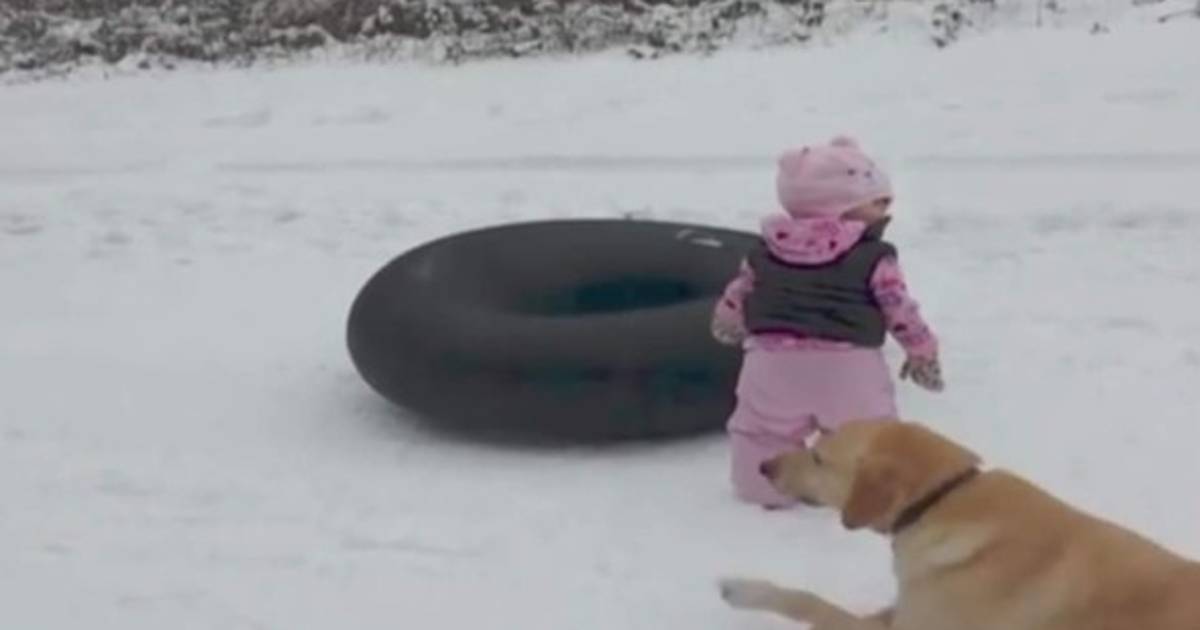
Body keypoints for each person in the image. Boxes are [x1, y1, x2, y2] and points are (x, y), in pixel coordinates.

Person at [711, 135, 944, 508]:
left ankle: (763, 488)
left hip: (772, 364)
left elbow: (740, 291)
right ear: (842, 208)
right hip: (848, 367)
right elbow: (899, 307)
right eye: (878, 202)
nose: (888, 208)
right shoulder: (874, 257)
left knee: (762, 433)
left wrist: (727, 320)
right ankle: (864, 491)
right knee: (867, 435)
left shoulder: (764, 251)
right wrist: (922, 351)